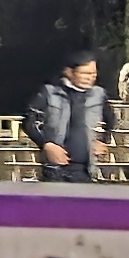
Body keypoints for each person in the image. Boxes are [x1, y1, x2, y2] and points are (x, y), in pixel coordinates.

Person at [26, 52, 106, 183]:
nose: (90, 78)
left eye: (93, 74)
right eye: (85, 73)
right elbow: (29, 122)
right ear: (69, 72)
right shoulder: (50, 93)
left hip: (85, 170)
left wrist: (103, 140)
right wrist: (46, 144)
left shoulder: (98, 95)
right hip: (55, 169)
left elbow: (110, 120)